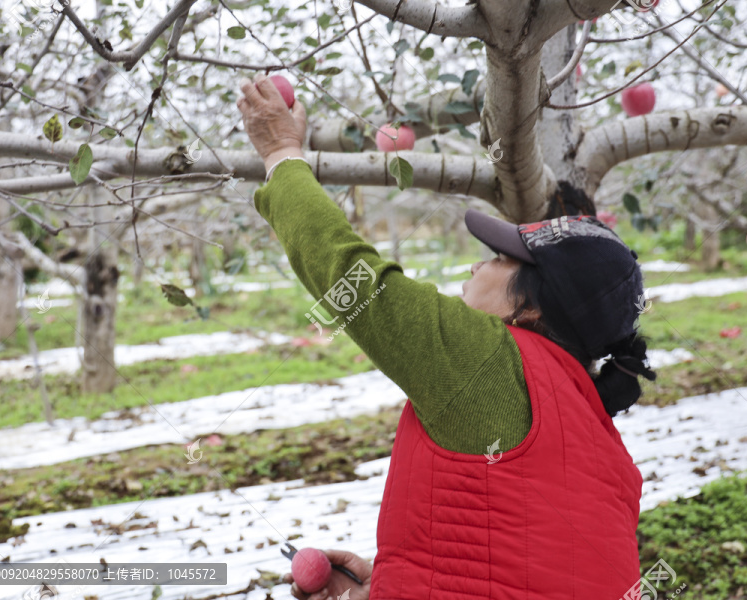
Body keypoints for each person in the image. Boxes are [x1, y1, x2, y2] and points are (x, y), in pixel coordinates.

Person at [236, 73, 656, 600]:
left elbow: (354, 279)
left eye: (502, 258)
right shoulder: (607, 449)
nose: (482, 262)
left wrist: (280, 153)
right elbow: (523, 563)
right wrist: (391, 582)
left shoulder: (489, 361)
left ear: (527, 305)